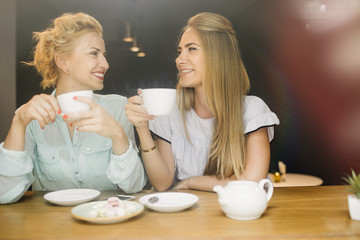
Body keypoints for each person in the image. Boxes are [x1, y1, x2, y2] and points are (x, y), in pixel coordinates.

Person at [0, 12, 146, 204]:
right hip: (52, 229)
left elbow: (134, 187)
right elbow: (5, 194)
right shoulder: (29, 117)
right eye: (94, 53)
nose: (105, 64)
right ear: (62, 62)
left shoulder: (118, 107)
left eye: (104, 55)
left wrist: (118, 135)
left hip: (106, 224)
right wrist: (18, 123)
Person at [125, 12, 280, 192]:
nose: (179, 59)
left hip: (237, 217)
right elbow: (161, 183)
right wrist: (142, 128)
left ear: (218, 56)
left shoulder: (252, 110)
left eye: (191, 49)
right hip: (185, 217)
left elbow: (252, 182)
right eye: (180, 50)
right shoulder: (171, 110)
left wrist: (191, 182)